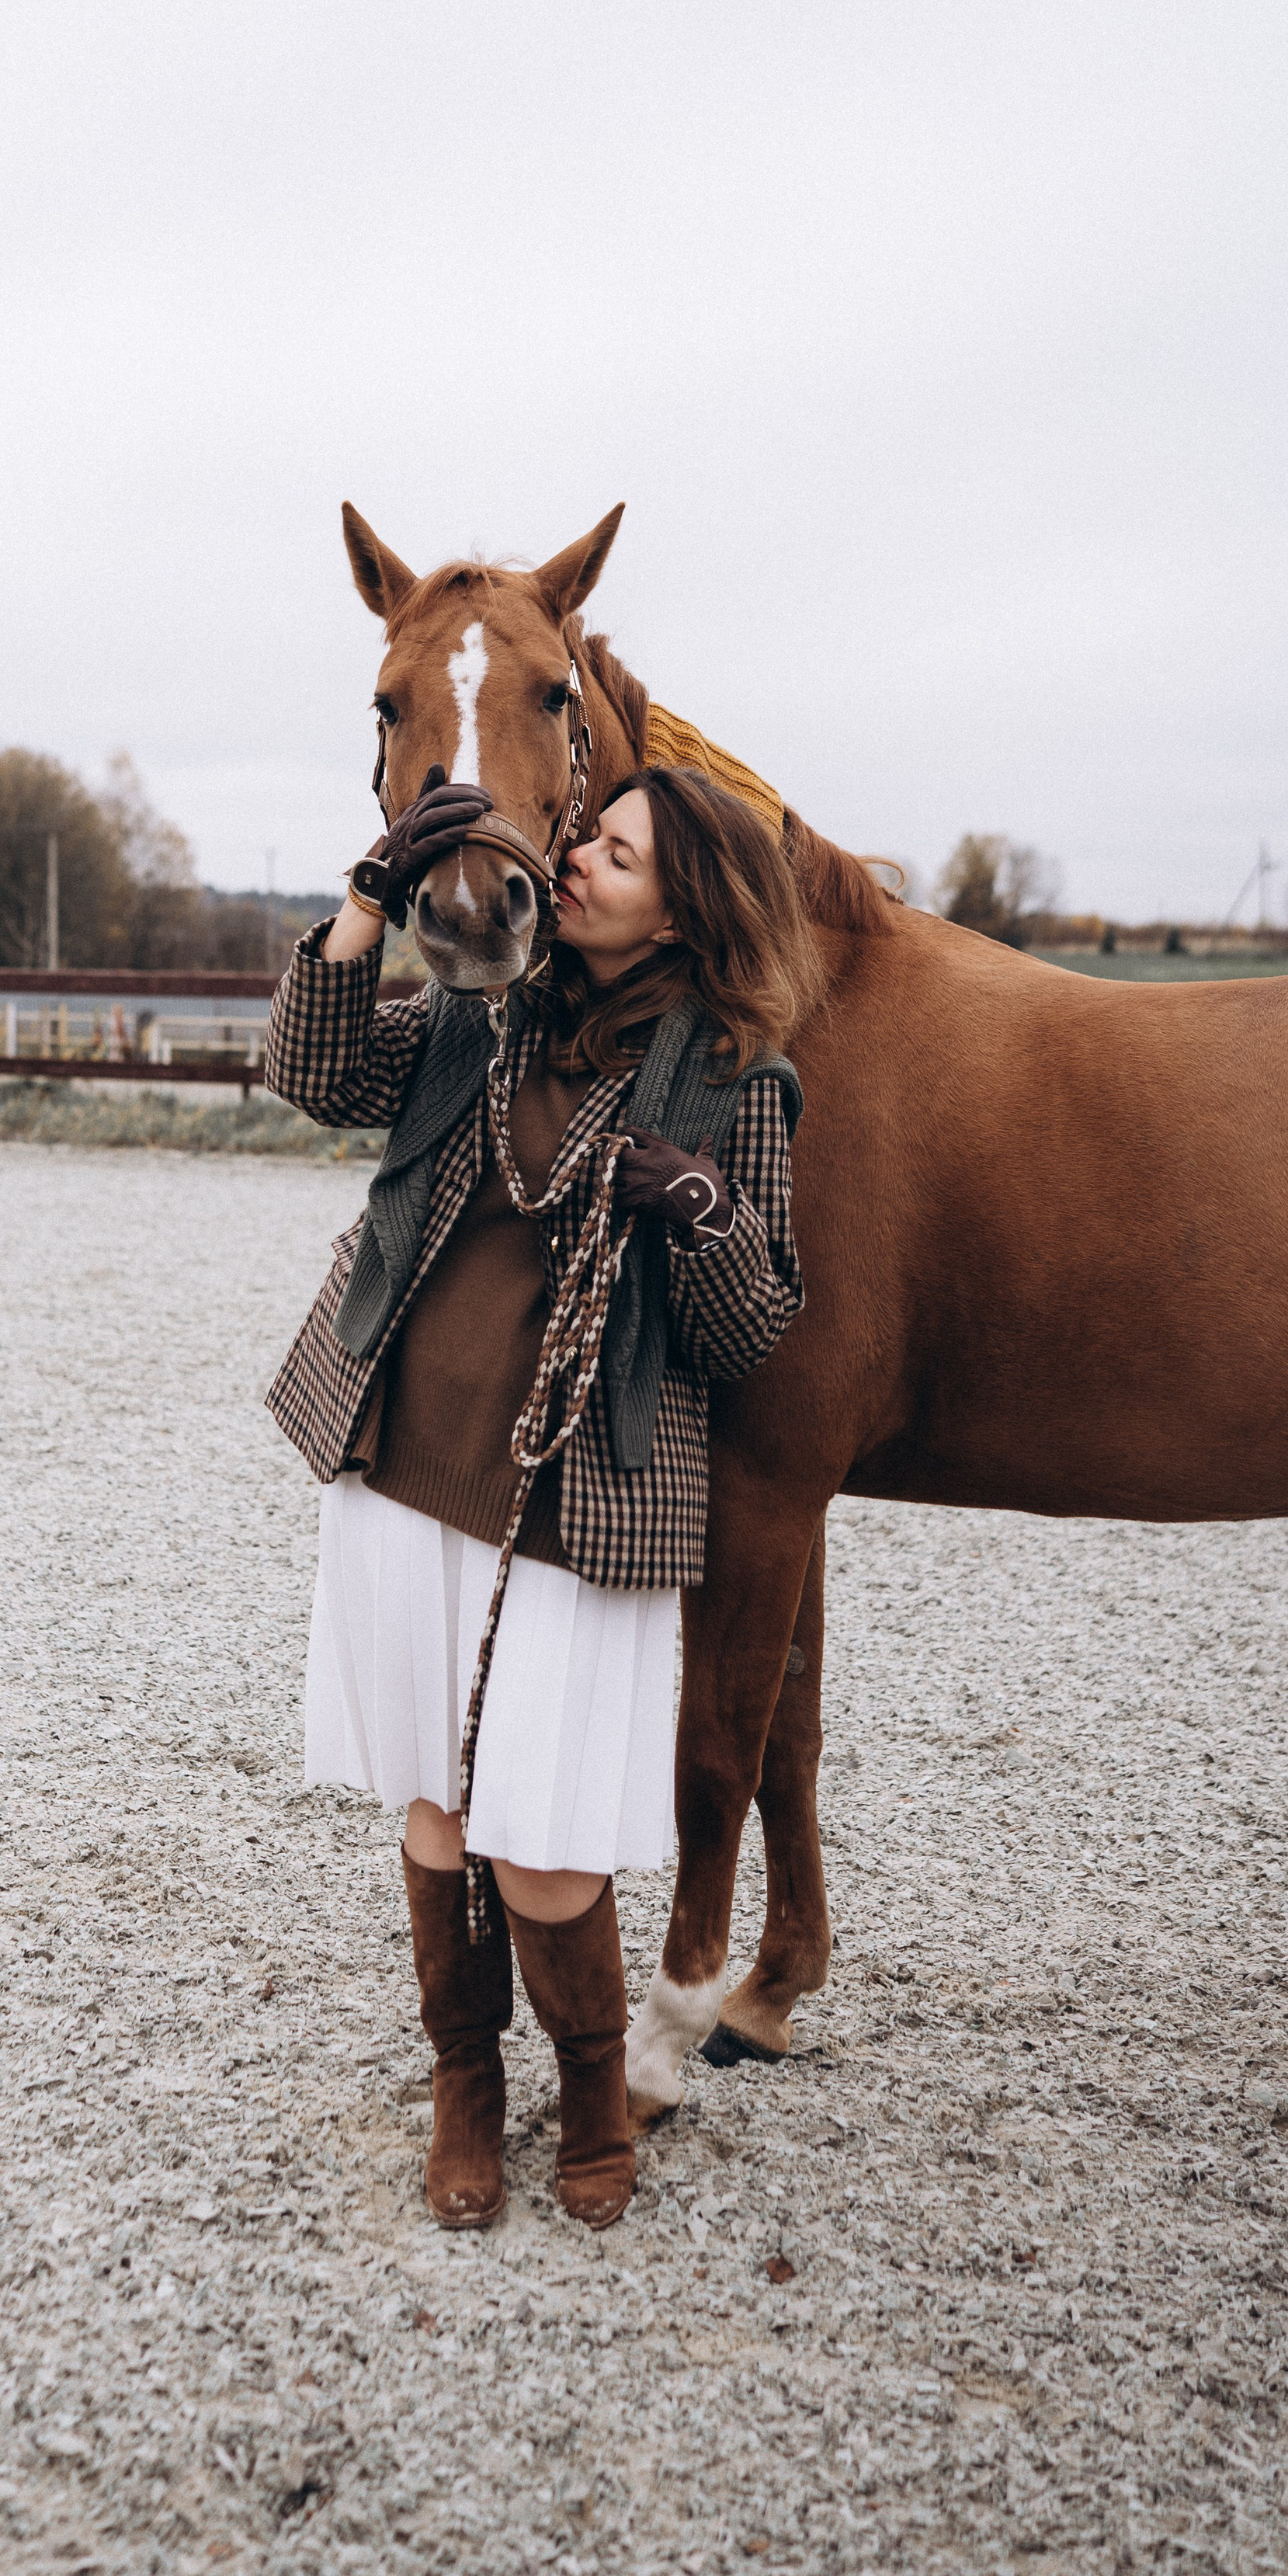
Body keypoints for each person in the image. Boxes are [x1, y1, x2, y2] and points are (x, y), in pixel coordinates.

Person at [265, 764, 818, 2230]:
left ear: (682, 904)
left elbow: (752, 1327)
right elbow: (313, 1077)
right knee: (438, 1811)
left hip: (576, 1505)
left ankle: (588, 2088)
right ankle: (467, 2091)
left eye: (615, 856)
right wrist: (366, 904)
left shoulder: (738, 1077)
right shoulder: (479, 1007)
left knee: (548, 1837)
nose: (574, 863)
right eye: (588, 838)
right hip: (404, 1466)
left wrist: (696, 1209)